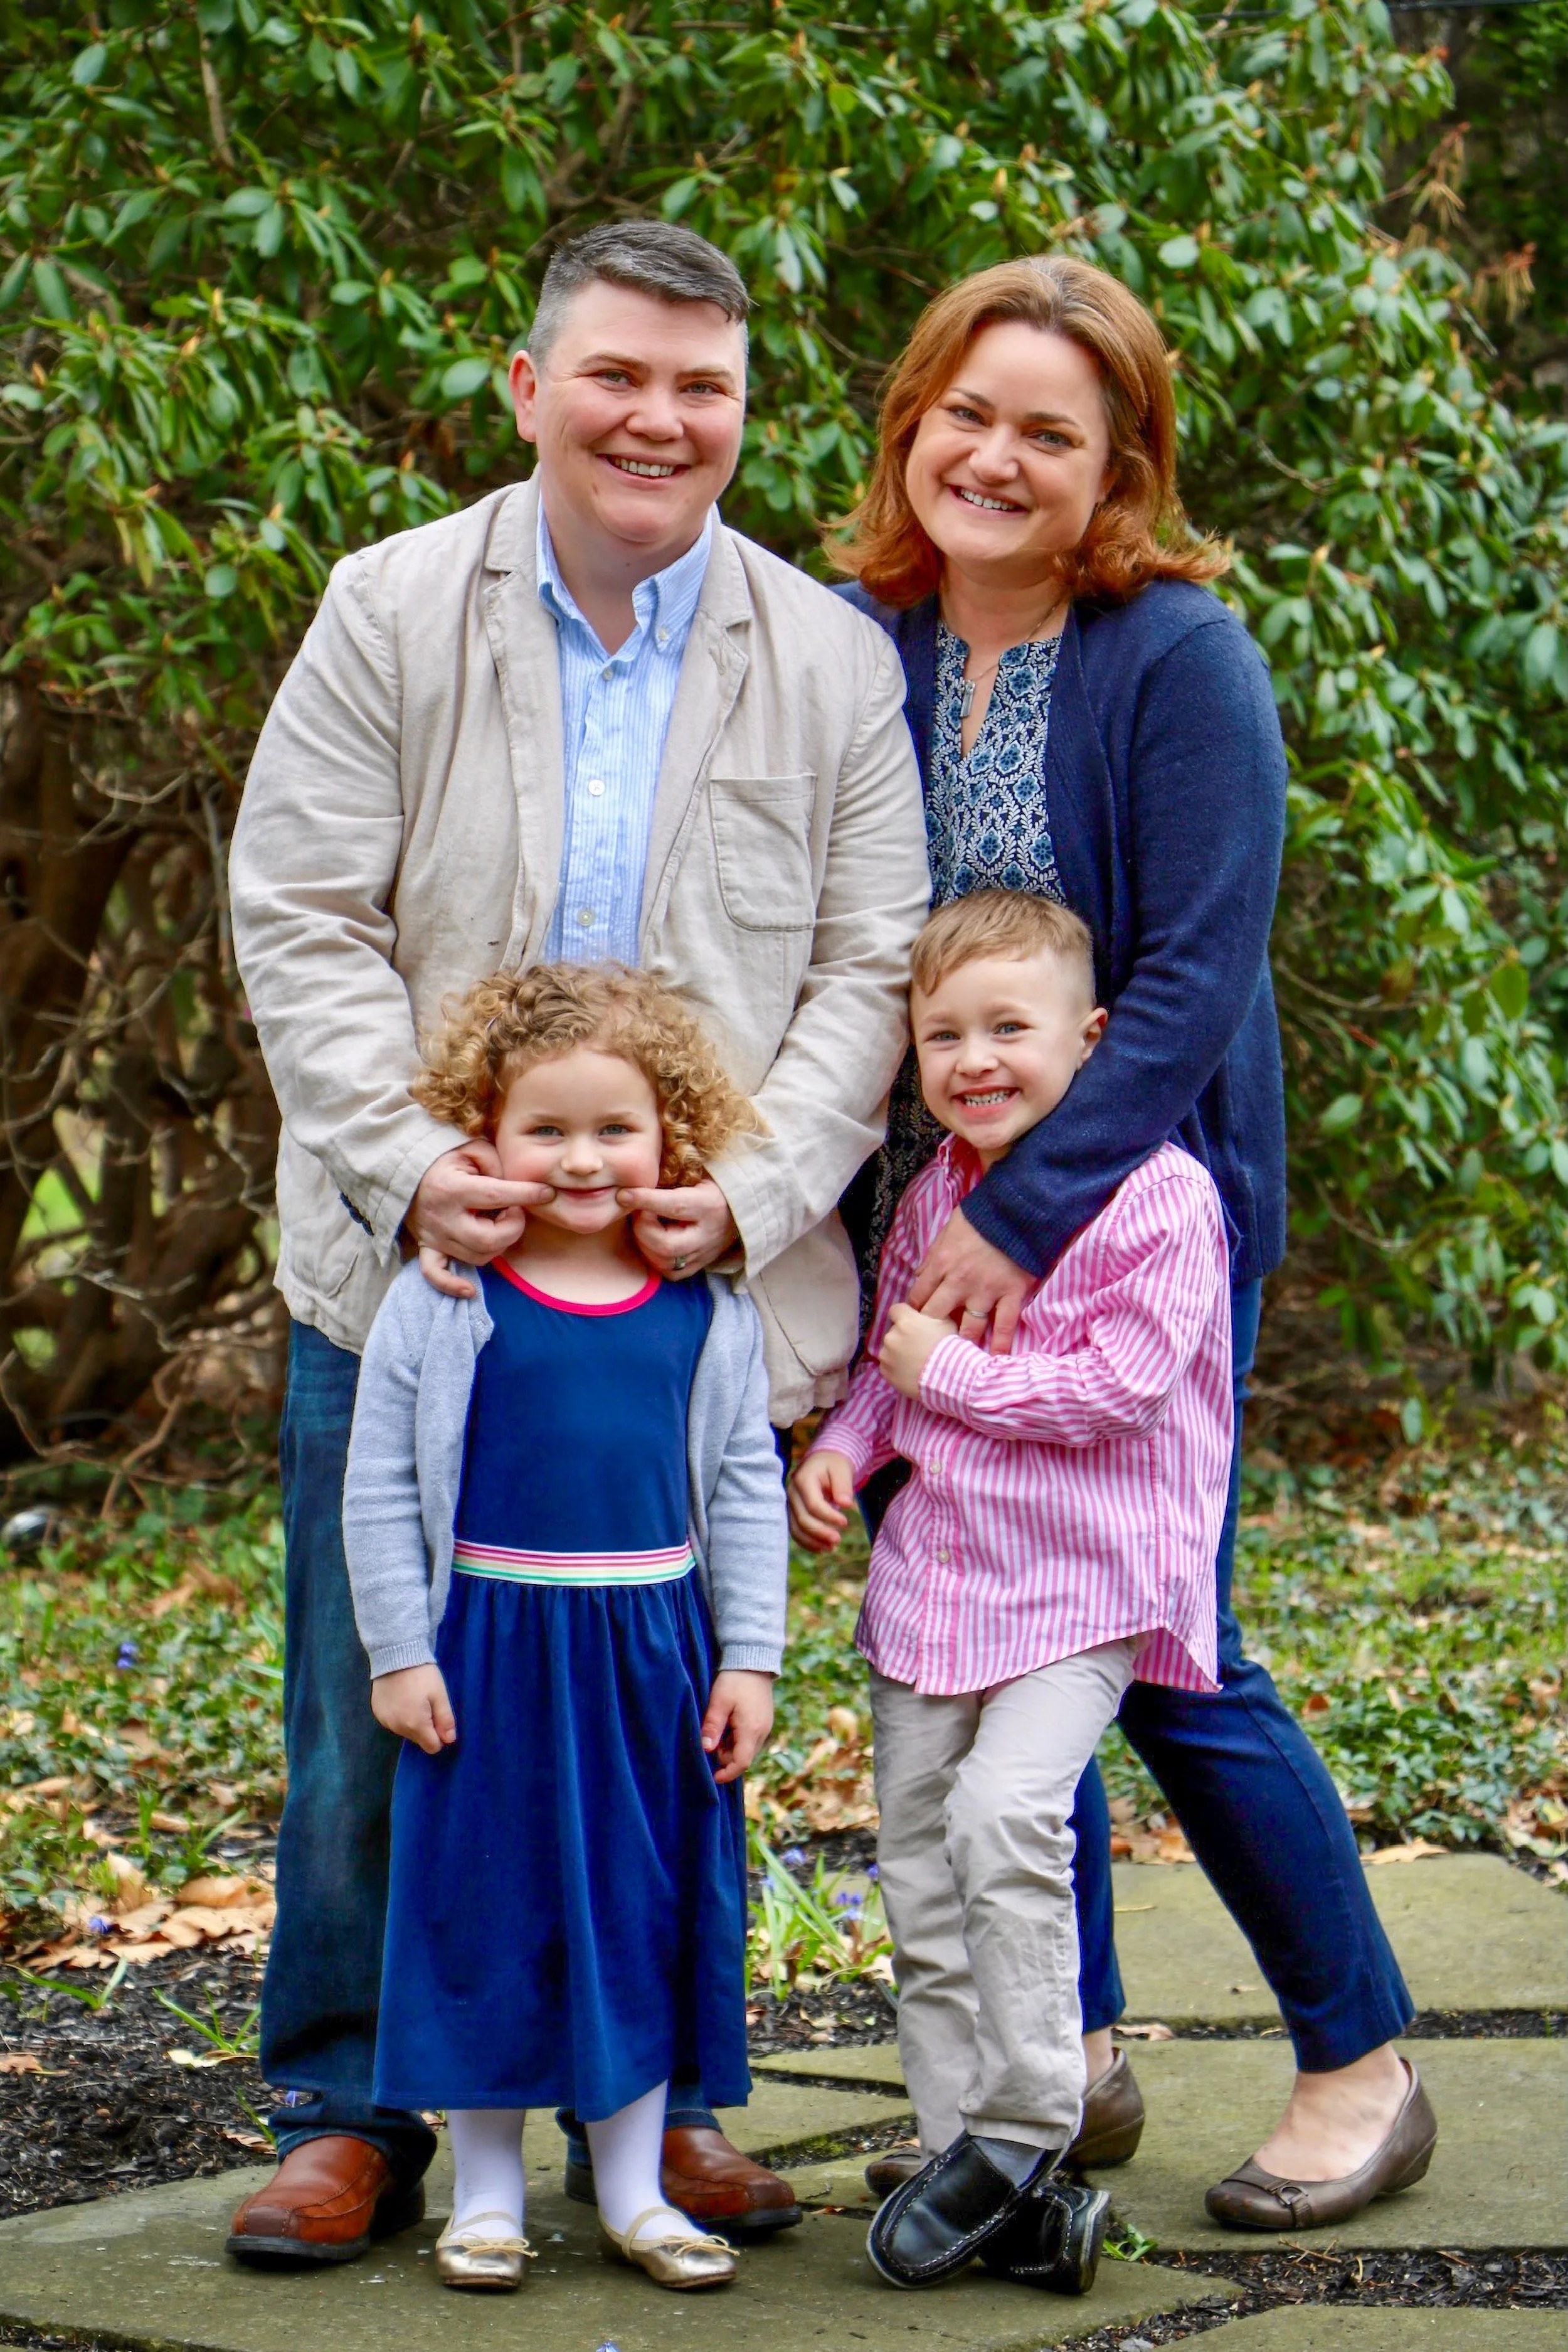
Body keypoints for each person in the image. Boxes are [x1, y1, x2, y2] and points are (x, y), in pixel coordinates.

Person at [226, 218, 930, 2264]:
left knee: (651, 1710)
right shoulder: (389, 611)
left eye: (702, 385)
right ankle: (355, 2098)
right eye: (619, 374)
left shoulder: (823, 655)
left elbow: (874, 962)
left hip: (676, 1304)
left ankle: (658, 2085)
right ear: (535, 391)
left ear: (740, 411)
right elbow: (299, 909)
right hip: (420, 1276)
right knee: (382, 1696)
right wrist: (397, 1157)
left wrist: (769, 1180)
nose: (661, 416)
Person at [831, 254, 1434, 2231]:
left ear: (1119, 471)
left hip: (1134, 1232)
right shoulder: (855, 640)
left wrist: (1023, 1211)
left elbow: (1188, 980)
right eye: (967, 411)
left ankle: (1362, 2061)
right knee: (990, 1634)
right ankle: (1058, 2048)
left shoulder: (1180, 659)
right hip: (913, 1236)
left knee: (1158, 1649)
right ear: (912, 417)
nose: (995, 457)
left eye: (1052, 433)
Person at [791, 891, 1245, 2292]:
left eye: (1008, 1027)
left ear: (1091, 1037)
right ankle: (972, 2170)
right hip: (934, 1585)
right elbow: (886, 1353)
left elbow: (1111, 1392)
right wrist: (849, 1441)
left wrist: (943, 1378)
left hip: (1082, 1587)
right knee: (918, 1873)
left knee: (1004, 1815)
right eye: (943, 1034)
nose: (974, 1058)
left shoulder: (1161, 1199)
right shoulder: (933, 1197)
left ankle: (1034, 2109)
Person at [341, 964, 785, 2294]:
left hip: (650, 1656)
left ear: (671, 1138)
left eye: (614, 1127)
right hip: (487, 1650)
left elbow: (744, 1489)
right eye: (546, 1127)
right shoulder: (445, 1300)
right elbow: (376, 1484)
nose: (582, 1156)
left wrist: (749, 1656)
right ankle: (482, 2195)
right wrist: (398, 1652)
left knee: (639, 1916)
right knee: (486, 1915)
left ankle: (636, 2189)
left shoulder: (708, 1311)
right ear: (484, 1134)